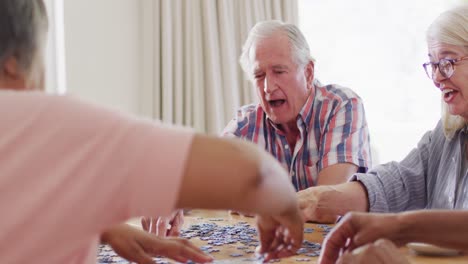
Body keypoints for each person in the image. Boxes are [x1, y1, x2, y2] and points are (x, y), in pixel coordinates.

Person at [0, 1, 304, 263]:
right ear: (14, 63)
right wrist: (282, 204)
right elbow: (257, 175)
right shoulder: (54, 123)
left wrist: (105, 229)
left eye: (278, 71)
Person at [143, 20, 374, 235]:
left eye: (279, 71)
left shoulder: (342, 105)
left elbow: (328, 204)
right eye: (259, 75)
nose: (268, 87)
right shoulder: (247, 122)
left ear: (308, 72)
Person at [298, 4, 468, 264]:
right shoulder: (445, 136)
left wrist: (400, 227)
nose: (436, 78)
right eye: (432, 65)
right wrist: (322, 198)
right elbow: (397, 182)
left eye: (446, 62)